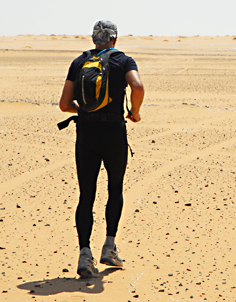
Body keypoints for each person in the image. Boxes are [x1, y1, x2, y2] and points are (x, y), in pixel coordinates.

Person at [58, 20, 144, 277]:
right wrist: (134, 113)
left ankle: (85, 254)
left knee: (86, 194)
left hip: (86, 133)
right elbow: (137, 87)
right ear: (115, 39)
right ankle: (109, 247)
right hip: (114, 133)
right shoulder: (123, 60)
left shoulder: (79, 62)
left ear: (94, 39)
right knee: (115, 188)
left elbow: (64, 104)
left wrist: (84, 111)